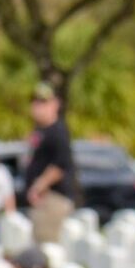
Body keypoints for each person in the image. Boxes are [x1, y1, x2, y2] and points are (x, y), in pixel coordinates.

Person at [21, 85, 82, 246]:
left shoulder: (58, 131)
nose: (37, 107)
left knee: (47, 245)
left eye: (43, 102)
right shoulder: (41, 130)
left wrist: (38, 187)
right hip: (41, 199)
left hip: (52, 198)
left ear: (55, 104)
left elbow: (59, 165)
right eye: (35, 102)